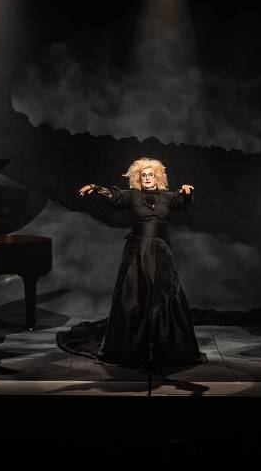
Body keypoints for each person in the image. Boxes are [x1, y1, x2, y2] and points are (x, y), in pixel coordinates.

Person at [57, 157, 206, 367]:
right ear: (139, 178)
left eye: (150, 174)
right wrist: (95, 188)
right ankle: (130, 343)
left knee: (164, 295)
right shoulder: (133, 196)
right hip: (137, 251)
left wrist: (187, 192)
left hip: (161, 252)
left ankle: (165, 343)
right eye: (143, 175)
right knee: (134, 294)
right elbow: (114, 196)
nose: (147, 178)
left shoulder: (167, 196)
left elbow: (182, 202)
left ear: (157, 177)